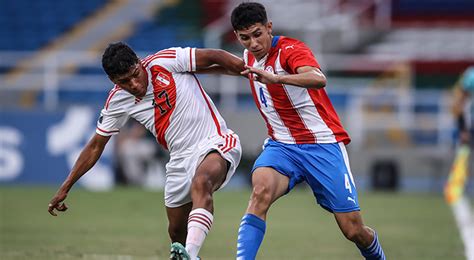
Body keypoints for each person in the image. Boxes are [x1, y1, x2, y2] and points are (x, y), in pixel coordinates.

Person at [47, 42, 243, 260]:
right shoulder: (117, 101)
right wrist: (66, 187)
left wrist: (249, 71)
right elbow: (95, 146)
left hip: (215, 141)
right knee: (176, 232)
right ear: (113, 81)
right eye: (124, 82)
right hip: (179, 160)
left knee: (201, 183)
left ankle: (192, 257)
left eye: (135, 74)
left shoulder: (165, 61)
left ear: (139, 63)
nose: (134, 84)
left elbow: (213, 55)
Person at [229, 3, 386, 259]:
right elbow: (224, 64)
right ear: (237, 37)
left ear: (269, 28)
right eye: (245, 38)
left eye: (257, 34)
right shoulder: (248, 58)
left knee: (353, 229)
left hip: (322, 145)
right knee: (260, 192)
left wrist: (278, 78)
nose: (253, 43)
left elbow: (318, 78)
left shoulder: (291, 49)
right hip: (282, 147)